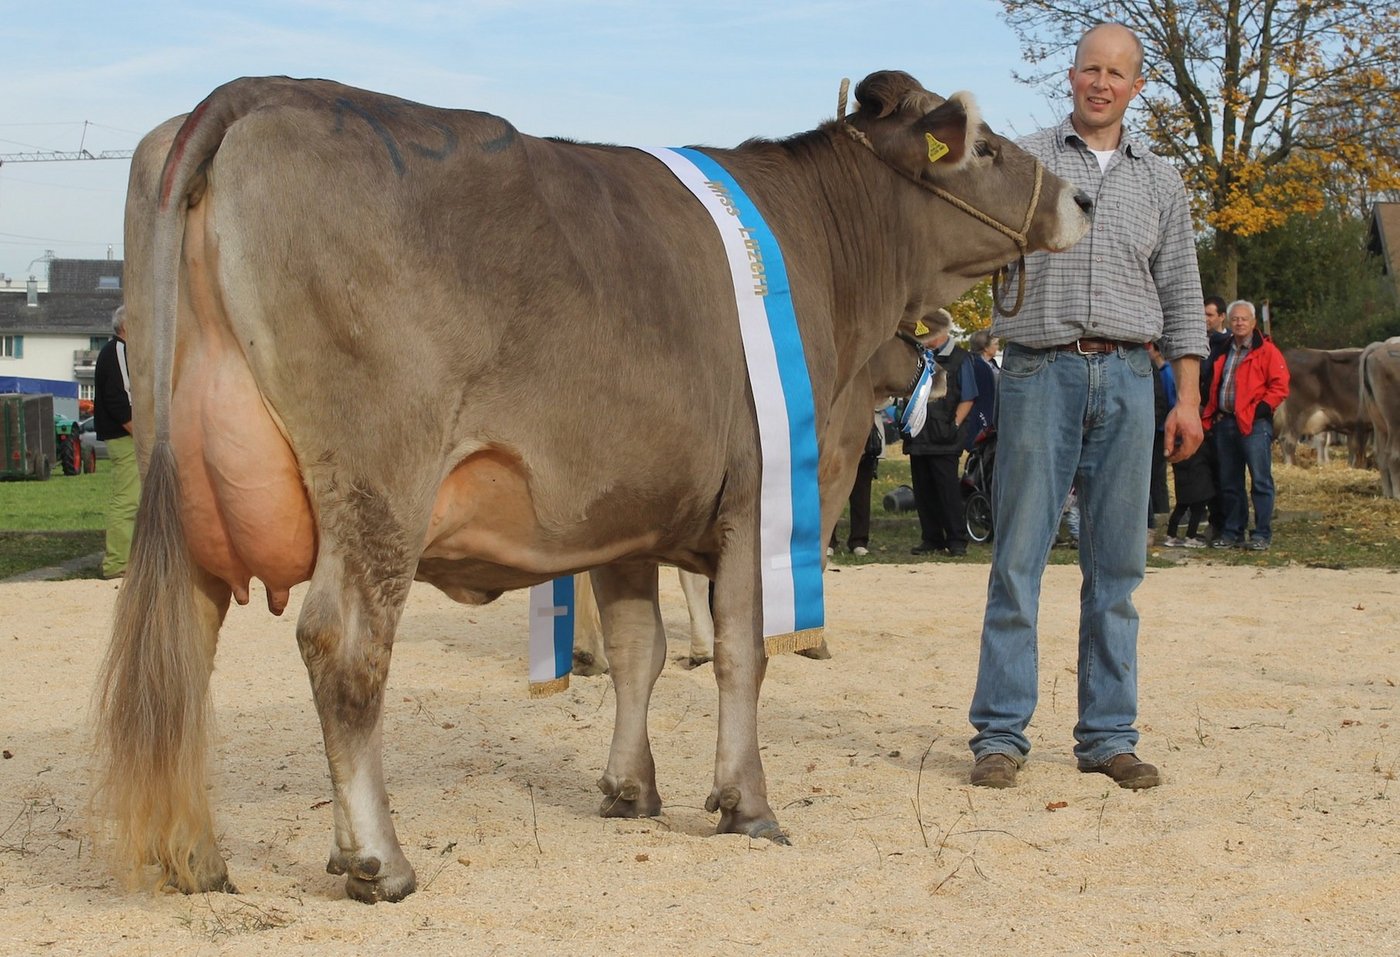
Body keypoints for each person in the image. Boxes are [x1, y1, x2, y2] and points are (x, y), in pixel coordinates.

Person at [967, 22, 1206, 791]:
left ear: (1138, 87)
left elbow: (1183, 296)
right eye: (1089, 70)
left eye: (1117, 73)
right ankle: (999, 734)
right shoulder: (1026, 160)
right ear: (1071, 77)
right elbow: (975, 239)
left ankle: (1108, 735)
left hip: (1133, 378)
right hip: (1040, 371)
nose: (1101, 83)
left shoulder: (1162, 181)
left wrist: (1189, 398)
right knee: (1018, 559)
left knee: (1118, 568)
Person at [1201, 299, 1290, 550]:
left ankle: (1262, 533)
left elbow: (1280, 385)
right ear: (1229, 322)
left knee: (1260, 480)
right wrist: (1214, 411)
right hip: (1226, 423)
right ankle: (1233, 532)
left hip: (1254, 425)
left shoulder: (1267, 352)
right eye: (1235, 319)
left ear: (1253, 322)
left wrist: (1261, 409)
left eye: (1244, 319)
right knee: (1230, 481)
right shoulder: (1223, 350)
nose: (1239, 323)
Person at [903, 308, 978, 557]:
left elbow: (968, 397)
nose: (925, 335)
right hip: (919, 435)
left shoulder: (961, 358)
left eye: (930, 330)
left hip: (945, 436)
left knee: (947, 490)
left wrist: (954, 425)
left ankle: (957, 540)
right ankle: (931, 538)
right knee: (923, 490)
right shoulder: (918, 357)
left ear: (943, 330)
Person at [94, 305, 140, 579]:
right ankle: (116, 563)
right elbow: (120, 399)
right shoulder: (119, 352)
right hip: (124, 437)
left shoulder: (115, 351)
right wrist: (140, 432)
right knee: (126, 501)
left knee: (133, 500)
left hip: (123, 436)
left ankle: (127, 560)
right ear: (126, 327)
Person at [1201, 295, 1231, 540]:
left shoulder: (1229, 344)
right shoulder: (1201, 342)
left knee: (1226, 474)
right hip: (1201, 415)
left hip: (1221, 416)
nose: (1205, 319)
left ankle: (1228, 524)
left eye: (1209, 315)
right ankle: (1213, 520)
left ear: (1222, 316)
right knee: (1206, 473)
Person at [830, 415, 882, 556]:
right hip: (838, 437)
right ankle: (829, 539)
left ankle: (859, 540)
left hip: (863, 440)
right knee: (832, 494)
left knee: (861, 495)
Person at [965, 329, 999, 448]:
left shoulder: (992, 364)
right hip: (981, 416)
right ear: (985, 347)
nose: (998, 347)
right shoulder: (976, 366)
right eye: (995, 344)